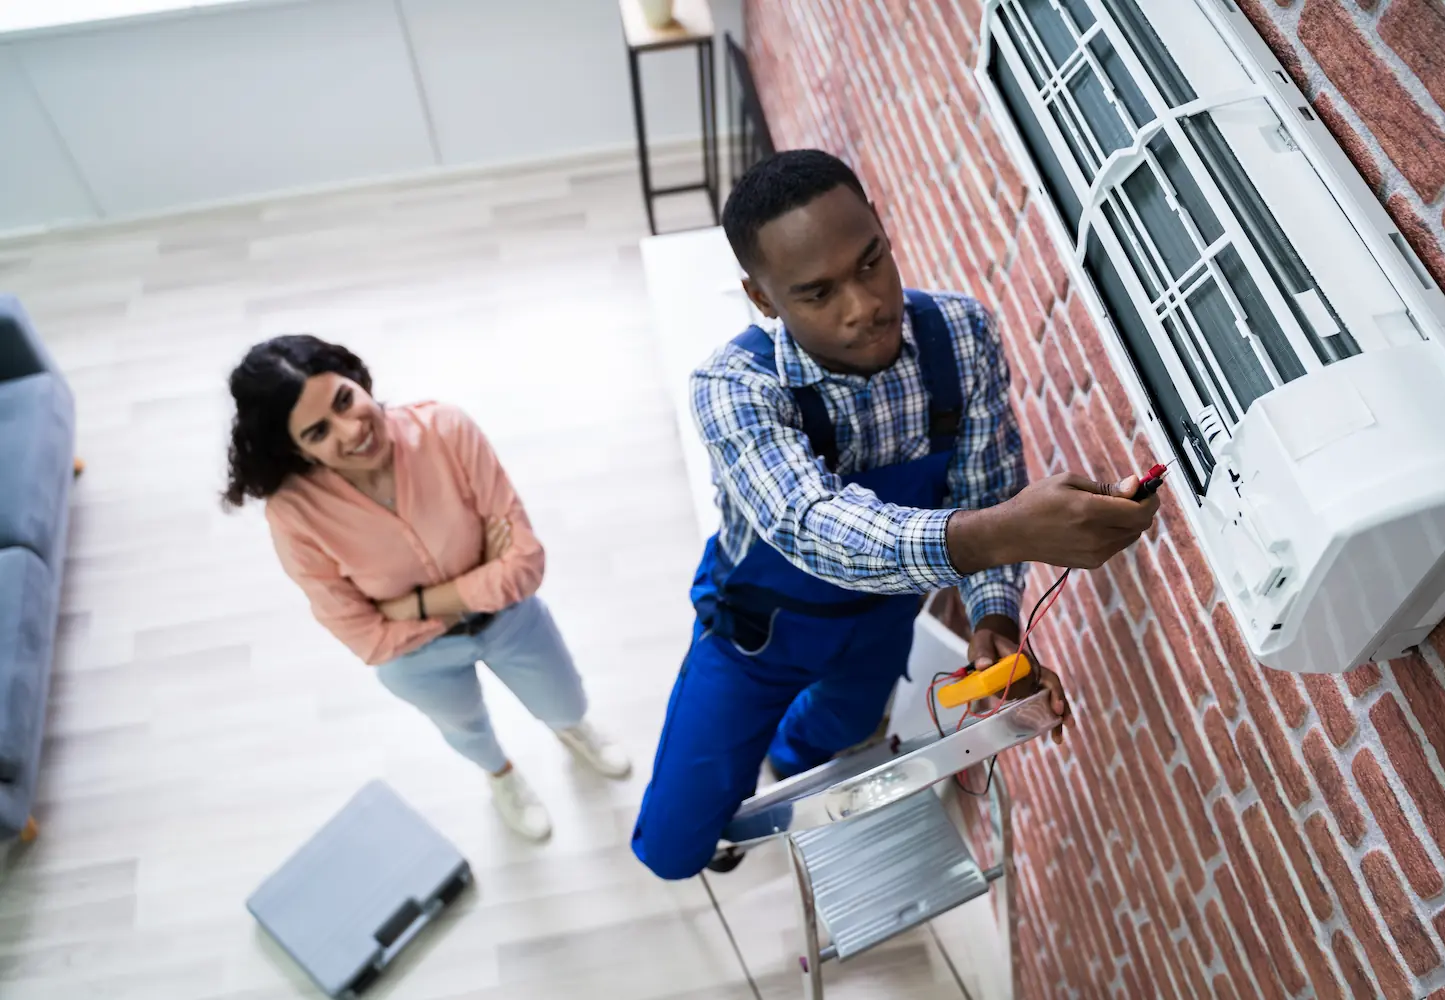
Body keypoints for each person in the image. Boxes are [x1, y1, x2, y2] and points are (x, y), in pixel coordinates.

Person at [630, 150, 1159, 880]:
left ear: (881, 225)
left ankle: (789, 756)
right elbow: (815, 527)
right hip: (756, 637)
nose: (864, 305)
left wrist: (995, 625)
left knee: (833, 734)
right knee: (672, 849)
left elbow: (983, 484)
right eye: (817, 293)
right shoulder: (735, 388)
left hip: (882, 622)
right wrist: (1003, 529)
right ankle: (718, 809)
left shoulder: (960, 336)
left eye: (870, 262)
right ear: (761, 298)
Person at [222, 335, 630, 842]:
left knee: (566, 699)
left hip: (511, 620)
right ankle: (501, 776)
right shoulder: (293, 515)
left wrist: (408, 606)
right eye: (319, 431)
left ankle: (572, 730)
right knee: (466, 730)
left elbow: (524, 566)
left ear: (358, 378)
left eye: (345, 400)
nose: (351, 431)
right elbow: (368, 639)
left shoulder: (445, 429)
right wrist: (483, 571)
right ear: (295, 449)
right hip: (418, 660)